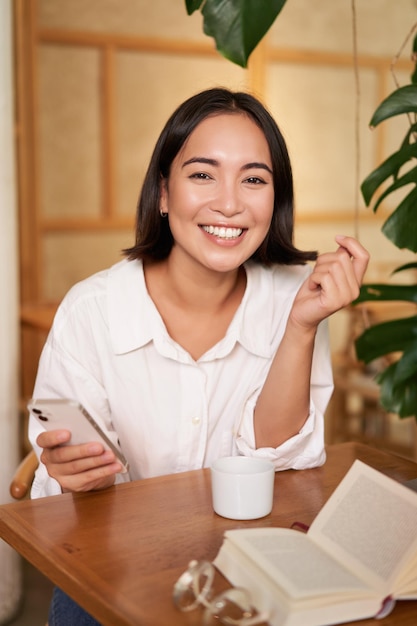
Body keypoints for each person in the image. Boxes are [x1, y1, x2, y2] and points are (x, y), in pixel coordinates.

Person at [29, 87, 369, 624]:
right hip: (115, 565)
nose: (229, 203)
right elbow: (65, 498)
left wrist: (301, 327)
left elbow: (281, 463)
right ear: (164, 193)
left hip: (252, 563)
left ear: (275, 200)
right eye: (203, 174)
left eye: (253, 179)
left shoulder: (295, 300)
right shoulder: (92, 310)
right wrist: (75, 476)